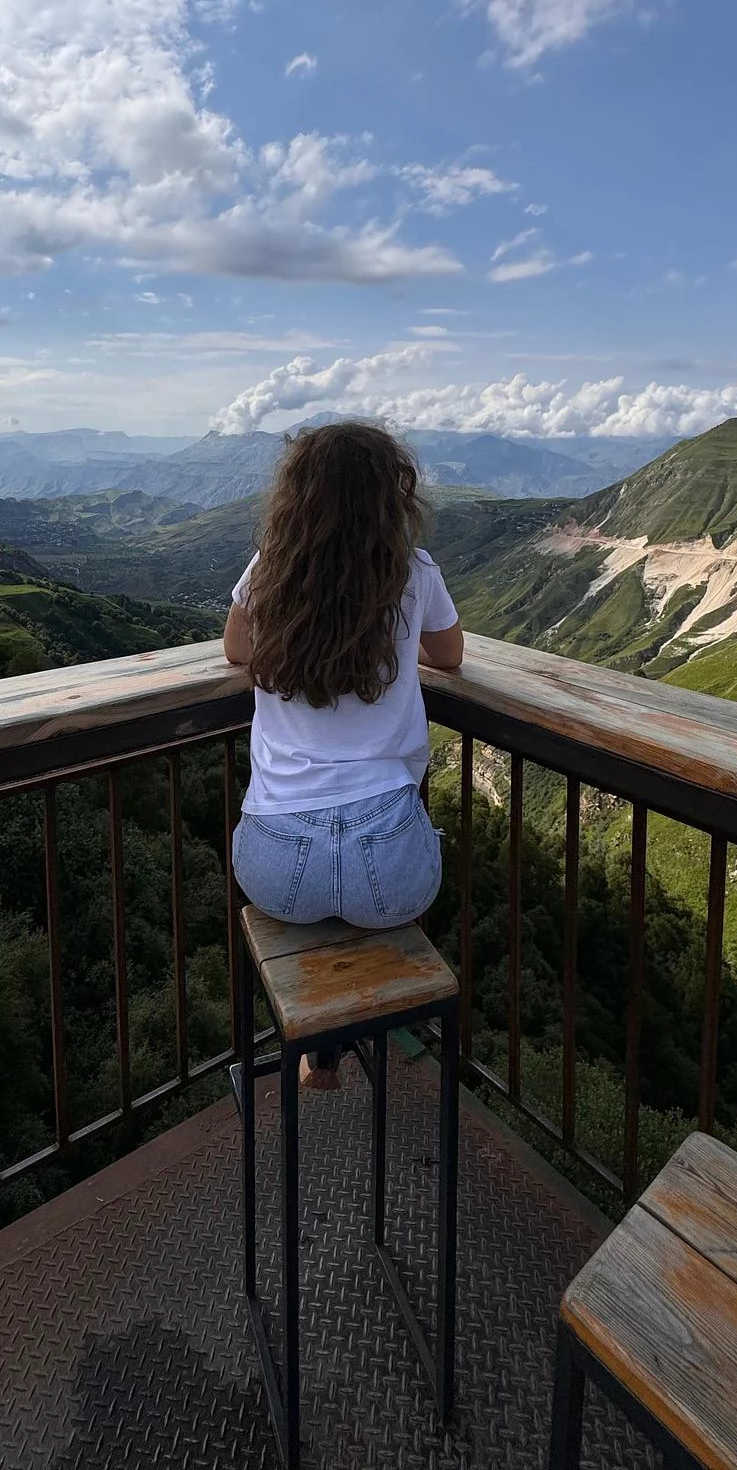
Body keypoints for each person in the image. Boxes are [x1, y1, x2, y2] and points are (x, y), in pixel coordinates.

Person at [223, 421, 464, 1087]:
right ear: (393, 497)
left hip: (275, 869)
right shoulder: (414, 571)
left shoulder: (271, 568)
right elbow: (449, 656)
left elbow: (236, 649)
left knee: (321, 907)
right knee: (378, 894)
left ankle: (318, 1048)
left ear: (296, 497)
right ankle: (340, 1040)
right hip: (389, 863)